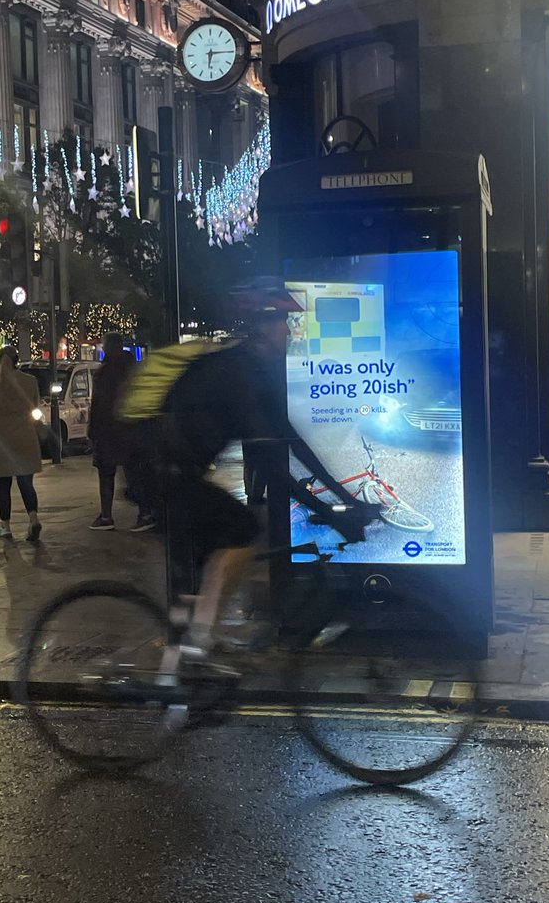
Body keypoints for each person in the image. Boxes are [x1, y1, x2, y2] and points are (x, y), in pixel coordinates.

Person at [152, 278, 378, 652]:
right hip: (163, 473)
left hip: (176, 472)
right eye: (283, 323)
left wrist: (347, 499)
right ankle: (199, 644)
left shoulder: (253, 371)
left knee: (215, 557)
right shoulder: (239, 373)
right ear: (262, 326)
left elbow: (292, 444)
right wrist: (331, 513)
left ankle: (195, 645)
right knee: (241, 531)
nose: (288, 331)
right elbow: (274, 468)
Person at [88, 333, 154, 532]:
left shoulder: (104, 373)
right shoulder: (135, 370)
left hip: (108, 431)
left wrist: (92, 433)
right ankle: (145, 513)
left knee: (106, 473)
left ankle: (106, 516)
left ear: (108, 348)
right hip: (133, 429)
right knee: (135, 472)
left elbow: (98, 406)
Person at [0, 346, 43, 542]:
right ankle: (33, 519)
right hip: (26, 437)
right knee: (26, 482)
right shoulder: (30, 382)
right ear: (17, 361)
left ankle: (5, 526)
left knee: (3, 484)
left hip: (3, 441)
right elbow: (35, 409)